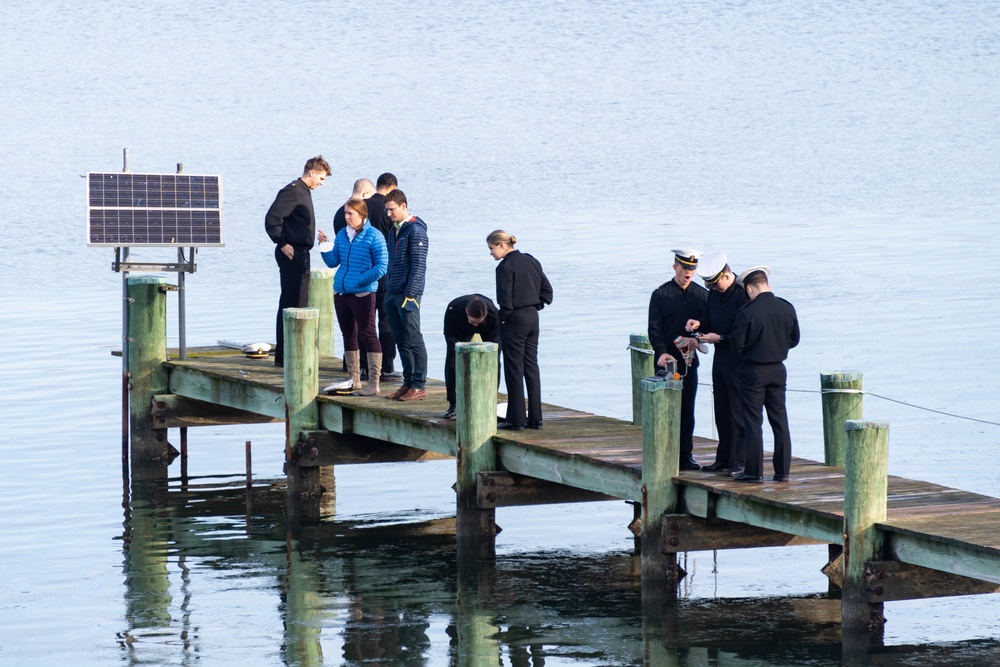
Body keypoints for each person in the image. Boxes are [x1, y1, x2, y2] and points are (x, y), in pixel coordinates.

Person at [729, 267, 800, 483]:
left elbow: (736, 345)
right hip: (778, 370)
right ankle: (782, 472)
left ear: (749, 288)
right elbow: (794, 339)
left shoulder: (747, 312)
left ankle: (754, 472)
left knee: (753, 422)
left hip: (753, 371)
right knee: (780, 421)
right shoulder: (787, 307)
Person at [685, 251, 750, 476]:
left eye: (715, 284)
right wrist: (700, 325)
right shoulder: (714, 295)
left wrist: (719, 338)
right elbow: (712, 318)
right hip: (720, 358)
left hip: (738, 359)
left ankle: (740, 461)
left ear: (725, 275)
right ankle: (724, 458)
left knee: (737, 411)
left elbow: (742, 333)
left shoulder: (742, 295)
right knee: (721, 409)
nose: (713, 289)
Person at [264, 155, 331, 367]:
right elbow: (272, 219)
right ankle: (285, 356)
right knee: (291, 304)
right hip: (291, 253)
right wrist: (282, 243)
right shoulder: (293, 191)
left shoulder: (304, 191)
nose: (321, 183)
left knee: (299, 302)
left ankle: (291, 353)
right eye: (321, 178)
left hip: (302, 252)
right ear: (312, 172)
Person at [318, 198, 388, 395]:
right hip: (341, 292)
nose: (346, 217)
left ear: (362, 215)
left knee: (368, 334)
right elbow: (333, 262)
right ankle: (354, 379)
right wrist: (324, 246)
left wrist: (360, 280)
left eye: (351, 214)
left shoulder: (375, 236)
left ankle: (374, 383)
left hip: (363, 292)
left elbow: (382, 266)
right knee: (348, 335)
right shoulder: (342, 235)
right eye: (345, 213)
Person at [647, 249, 709, 470]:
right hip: (666, 363)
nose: (688, 272)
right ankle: (662, 453)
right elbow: (654, 329)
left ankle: (685, 455)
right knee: (664, 410)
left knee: (687, 410)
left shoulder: (702, 295)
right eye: (685, 268)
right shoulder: (660, 294)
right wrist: (661, 351)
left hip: (689, 362)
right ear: (675, 267)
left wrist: (700, 330)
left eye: (692, 269)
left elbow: (709, 323)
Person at [488, 230, 553, 431]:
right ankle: (535, 417)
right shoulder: (532, 261)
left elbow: (504, 300)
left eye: (491, 248)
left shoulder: (505, 267)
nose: (491, 253)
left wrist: (505, 318)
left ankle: (515, 419)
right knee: (531, 366)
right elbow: (547, 292)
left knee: (513, 368)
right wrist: (535, 306)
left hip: (515, 319)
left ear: (501, 245)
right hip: (533, 317)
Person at [383, 190, 429, 402]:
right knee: (400, 339)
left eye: (392, 209)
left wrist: (411, 294)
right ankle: (408, 382)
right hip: (392, 291)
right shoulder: (395, 229)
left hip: (407, 294)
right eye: (387, 210)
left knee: (413, 338)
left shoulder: (416, 231)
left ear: (403, 206)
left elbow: (419, 266)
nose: (389, 213)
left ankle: (419, 385)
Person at [363, 173, 401, 382]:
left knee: (364, 321)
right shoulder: (389, 212)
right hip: (385, 273)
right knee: (386, 320)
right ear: (393, 187)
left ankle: (362, 366)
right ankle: (387, 366)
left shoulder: (361, 207)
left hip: (363, 273)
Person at [442, 294, 501, 419]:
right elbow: (450, 338)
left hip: (488, 327)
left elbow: (495, 344)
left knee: (494, 359)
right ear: (466, 312)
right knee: (453, 358)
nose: (475, 325)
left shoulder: (494, 314)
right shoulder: (454, 309)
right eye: (473, 322)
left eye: (478, 322)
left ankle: (490, 400)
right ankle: (454, 404)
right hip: (459, 326)